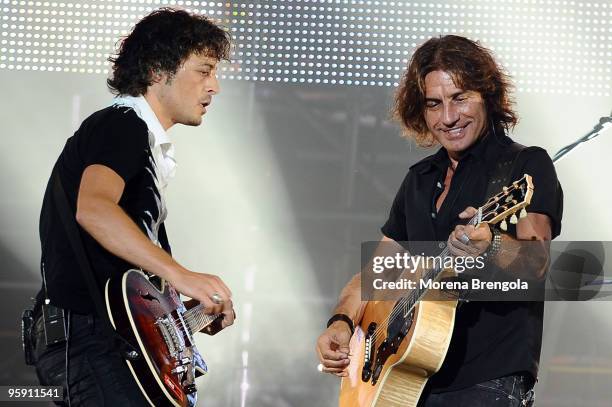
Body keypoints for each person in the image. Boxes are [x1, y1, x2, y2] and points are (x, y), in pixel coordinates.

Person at [316, 35, 563, 406]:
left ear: (487, 94)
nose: (448, 118)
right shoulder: (418, 179)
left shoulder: (523, 166)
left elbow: (536, 265)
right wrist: (341, 322)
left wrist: (491, 245)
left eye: (460, 98)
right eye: (434, 104)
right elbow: (374, 276)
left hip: (487, 380)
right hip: (407, 378)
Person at [31, 8, 235, 406]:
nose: (215, 87)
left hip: (105, 343)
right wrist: (183, 275)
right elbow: (93, 211)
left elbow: (125, 278)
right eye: (204, 70)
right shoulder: (122, 124)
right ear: (158, 70)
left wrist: (182, 315)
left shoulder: (140, 140)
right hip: (92, 343)